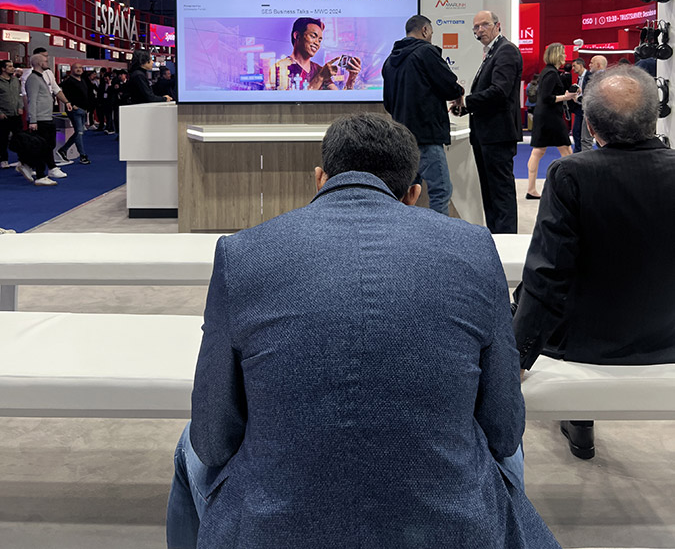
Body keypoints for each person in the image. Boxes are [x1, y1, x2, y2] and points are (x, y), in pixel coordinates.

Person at [166, 114, 560, 549]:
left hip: (274, 529)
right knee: (505, 450)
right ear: (413, 194)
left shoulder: (240, 254)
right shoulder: (474, 247)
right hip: (451, 528)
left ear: (319, 179)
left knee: (188, 443)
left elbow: (212, 437)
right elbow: (504, 428)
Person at [513, 65, 675, 460]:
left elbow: (548, 277)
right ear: (654, 117)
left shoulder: (571, 174)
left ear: (592, 126)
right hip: (667, 337)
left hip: (583, 342)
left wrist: (516, 356)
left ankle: (580, 423)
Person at [382, 14, 464, 215]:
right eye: (431, 33)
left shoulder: (390, 60)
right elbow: (448, 85)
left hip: (402, 137)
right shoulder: (426, 52)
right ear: (425, 31)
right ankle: (438, 239)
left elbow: (388, 103)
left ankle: (405, 237)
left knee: (407, 194)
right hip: (427, 135)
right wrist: (459, 93)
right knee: (441, 191)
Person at [450, 10, 523, 233]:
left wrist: (467, 102)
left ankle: (506, 241)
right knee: (491, 193)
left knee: (500, 193)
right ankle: (496, 238)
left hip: (497, 135)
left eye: (484, 25)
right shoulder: (492, 53)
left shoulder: (506, 51)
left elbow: (499, 92)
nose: (480, 30)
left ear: (497, 25)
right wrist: (463, 109)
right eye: (476, 27)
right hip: (486, 134)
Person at [525, 43, 576, 200]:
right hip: (550, 117)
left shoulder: (549, 72)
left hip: (546, 116)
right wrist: (566, 97)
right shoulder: (551, 73)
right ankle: (571, 188)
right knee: (566, 151)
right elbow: (546, 97)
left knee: (540, 151)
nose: (564, 57)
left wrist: (566, 94)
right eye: (562, 53)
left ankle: (532, 189)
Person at [275, 17, 361, 90]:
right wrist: (320, 77)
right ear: (297, 36)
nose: (317, 43)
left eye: (320, 40)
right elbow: (291, 102)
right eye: (313, 36)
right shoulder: (280, 68)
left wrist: (351, 78)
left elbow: (340, 99)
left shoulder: (319, 70)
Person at [25, 52, 73, 183]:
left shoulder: (41, 78)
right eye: (45, 61)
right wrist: (33, 120)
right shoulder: (33, 79)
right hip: (40, 119)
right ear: (40, 63)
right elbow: (32, 100)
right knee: (41, 146)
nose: (47, 63)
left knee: (48, 145)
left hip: (47, 117)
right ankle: (40, 175)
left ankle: (49, 168)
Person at [58, 62, 93, 164]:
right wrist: (72, 104)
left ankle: (64, 149)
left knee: (79, 132)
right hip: (75, 110)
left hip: (83, 109)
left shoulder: (83, 80)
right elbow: (63, 94)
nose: (78, 69)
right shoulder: (68, 82)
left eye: (80, 68)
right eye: (76, 68)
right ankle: (82, 155)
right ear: (71, 69)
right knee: (79, 132)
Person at [578, 55, 608, 150]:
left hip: (592, 112)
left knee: (586, 140)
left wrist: (579, 99)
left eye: (591, 63)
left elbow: (591, 97)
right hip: (604, 113)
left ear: (598, 65)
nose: (589, 65)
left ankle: (586, 163)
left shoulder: (595, 79)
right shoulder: (608, 78)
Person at [0, 60, 23, 168]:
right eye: (9, 66)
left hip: (16, 114)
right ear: (3, 69)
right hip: (4, 115)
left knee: (20, 138)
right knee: (3, 139)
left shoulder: (15, 80)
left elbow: (19, 95)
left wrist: (20, 106)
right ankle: (3, 159)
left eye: (12, 66)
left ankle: (22, 160)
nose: (12, 68)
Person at [569, 58, 588, 152]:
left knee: (584, 134)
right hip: (579, 108)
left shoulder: (589, 76)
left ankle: (581, 152)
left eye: (574, 66)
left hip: (587, 108)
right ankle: (578, 151)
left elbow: (590, 94)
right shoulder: (579, 78)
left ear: (581, 65)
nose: (572, 68)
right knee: (576, 131)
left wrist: (578, 98)